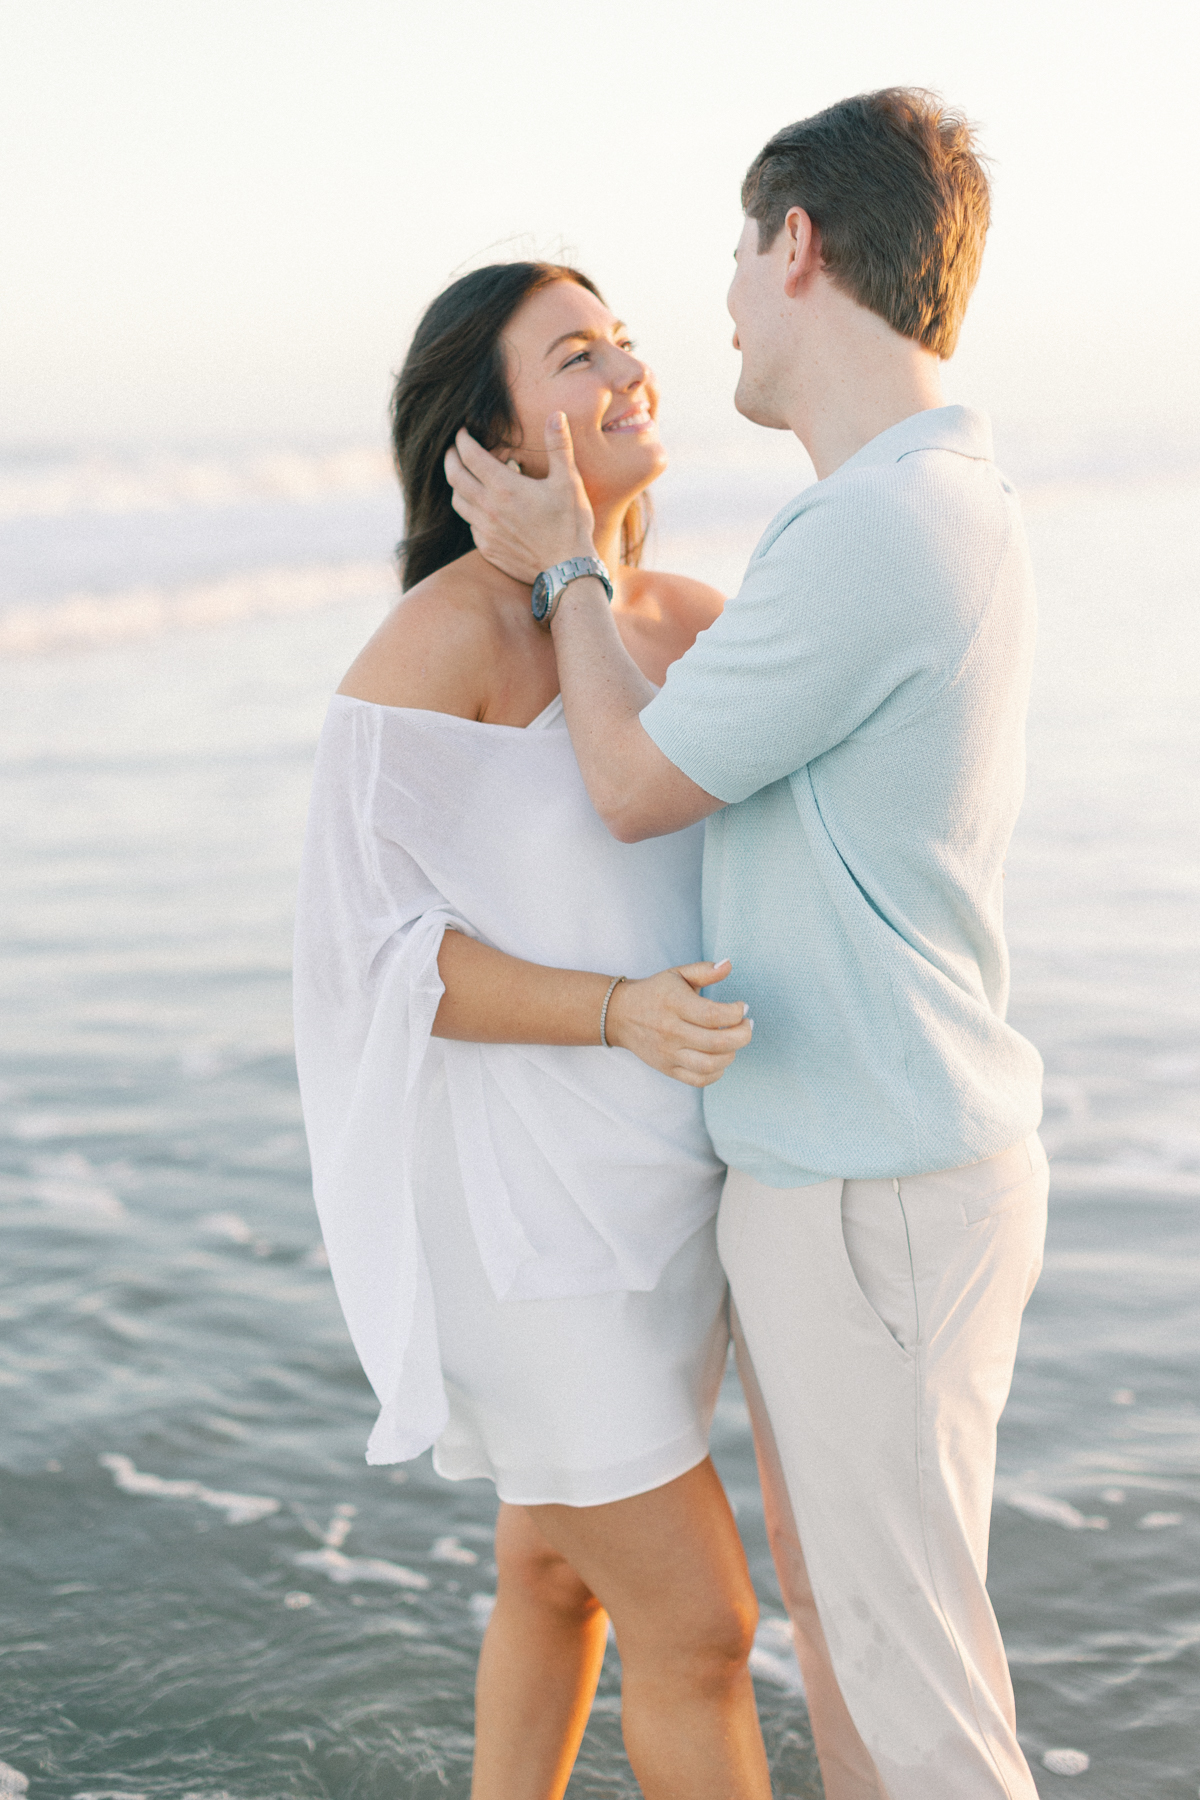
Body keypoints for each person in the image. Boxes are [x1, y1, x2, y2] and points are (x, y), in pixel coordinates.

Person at [445, 90, 1049, 1800]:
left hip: (875, 1180)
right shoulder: (916, 504)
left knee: (913, 1695)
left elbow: (632, 782)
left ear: (799, 247)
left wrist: (564, 570)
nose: (709, 303)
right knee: (863, 1672)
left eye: (730, 248)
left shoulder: (875, 527)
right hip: (857, 1169)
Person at [292, 261, 773, 1800]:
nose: (630, 368)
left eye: (625, 338)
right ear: (487, 441)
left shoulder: (695, 622)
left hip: (669, 1200)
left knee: (556, 1580)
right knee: (701, 1626)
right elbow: (372, 964)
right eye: (577, 354)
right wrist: (618, 1013)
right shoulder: (445, 639)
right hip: (526, 1224)